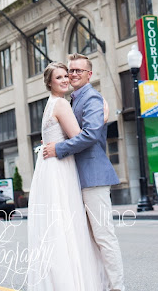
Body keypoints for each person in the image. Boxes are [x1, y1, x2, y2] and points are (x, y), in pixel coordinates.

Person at [43, 53, 124, 291]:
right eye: (71, 70)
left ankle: (117, 288)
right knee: (88, 238)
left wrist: (58, 148)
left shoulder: (92, 98)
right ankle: (100, 284)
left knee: (104, 236)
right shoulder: (72, 100)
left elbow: (89, 136)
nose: (74, 74)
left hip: (95, 176)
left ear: (89, 74)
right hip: (77, 177)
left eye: (79, 70)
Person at [28, 61, 109, 291]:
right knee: (68, 224)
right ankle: (72, 280)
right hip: (60, 168)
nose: (65, 79)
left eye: (66, 75)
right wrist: (102, 119)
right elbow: (80, 135)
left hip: (50, 167)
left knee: (57, 224)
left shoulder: (50, 104)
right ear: (50, 82)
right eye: (59, 77)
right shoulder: (62, 104)